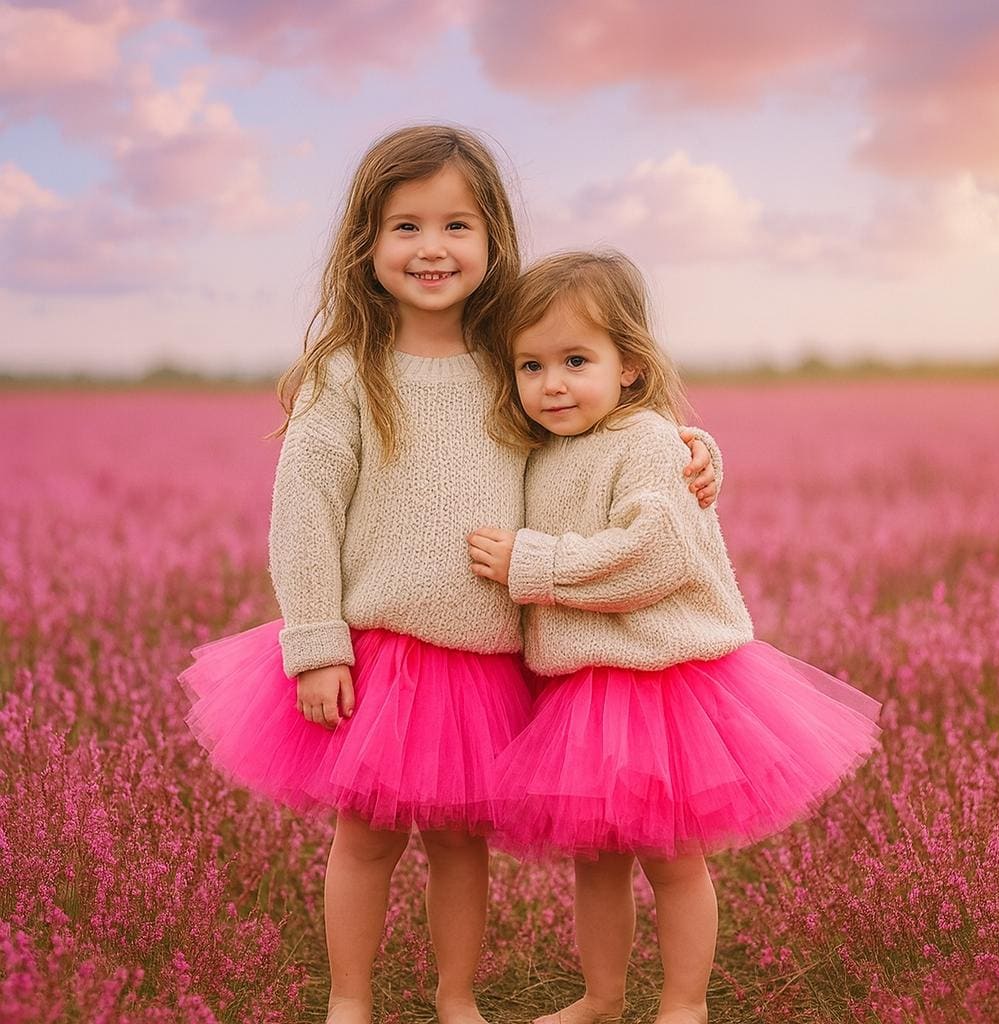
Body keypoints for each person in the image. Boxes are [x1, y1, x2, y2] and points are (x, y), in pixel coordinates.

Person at [178, 127, 723, 1024]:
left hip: (489, 658)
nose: (432, 248)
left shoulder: (512, 356)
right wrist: (315, 641)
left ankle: (456, 998)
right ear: (367, 242)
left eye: (457, 225)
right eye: (406, 226)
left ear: (493, 238)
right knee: (366, 840)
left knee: (462, 844)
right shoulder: (348, 374)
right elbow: (303, 513)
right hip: (384, 650)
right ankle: (348, 1000)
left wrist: (699, 452)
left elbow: (610, 428)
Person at [468, 250, 883, 1024]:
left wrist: (535, 561)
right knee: (596, 864)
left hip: (661, 684)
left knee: (673, 861)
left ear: (629, 366)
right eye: (530, 365)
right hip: (582, 686)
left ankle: (683, 1004)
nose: (551, 383)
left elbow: (651, 557)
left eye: (575, 360)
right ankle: (601, 996)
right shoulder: (545, 446)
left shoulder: (651, 441)